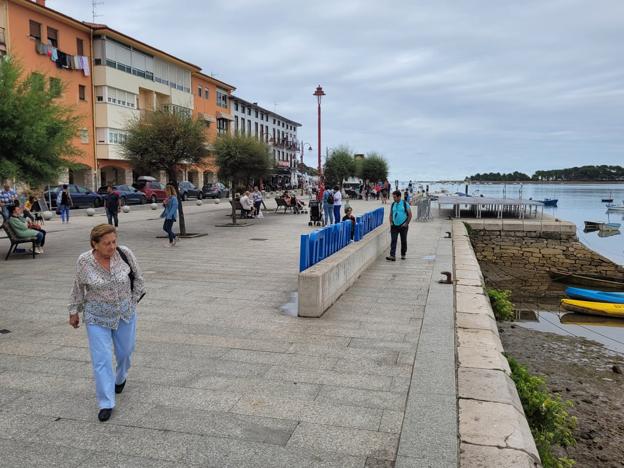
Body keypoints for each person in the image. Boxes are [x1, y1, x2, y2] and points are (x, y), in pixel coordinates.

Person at [68, 224, 145, 422]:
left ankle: (120, 378)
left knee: (125, 352)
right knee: (101, 360)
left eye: (114, 242)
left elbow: (138, 279)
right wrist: (73, 311)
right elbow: (78, 287)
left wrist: (132, 302)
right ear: (94, 244)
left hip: (124, 314)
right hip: (96, 317)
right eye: (106, 243)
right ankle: (106, 402)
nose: (111, 247)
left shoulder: (124, 253)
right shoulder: (84, 261)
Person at [386, 190, 412, 261]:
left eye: (395, 197)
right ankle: (392, 256)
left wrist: (406, 224)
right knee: (393, 240)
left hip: (403, 225)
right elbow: (391, 214)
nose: (394, 199)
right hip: (394, 225)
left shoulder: (405, 204)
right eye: (393, 197)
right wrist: (391, 222)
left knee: (403, 241)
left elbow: (410, 215)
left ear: (399, 196)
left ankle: (403, 254)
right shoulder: (393, 204)